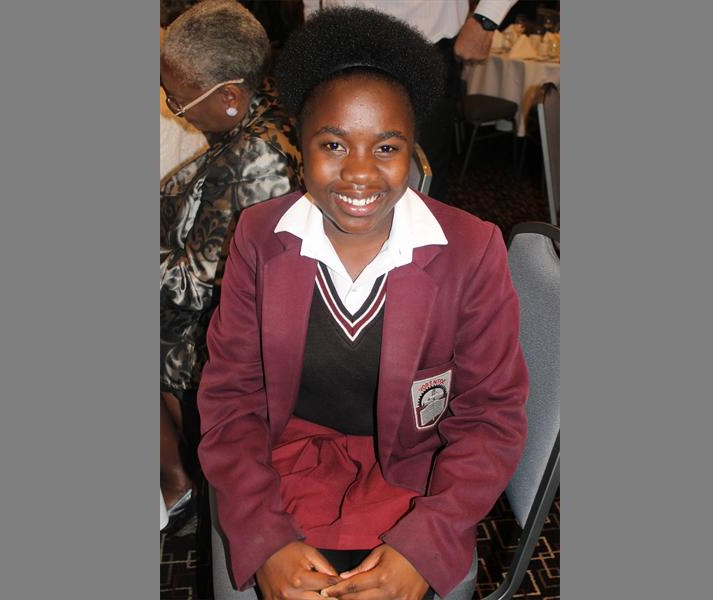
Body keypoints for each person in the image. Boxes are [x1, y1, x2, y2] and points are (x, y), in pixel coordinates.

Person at [198, 7, 528, 600]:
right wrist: (266, 537)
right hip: (285, 463)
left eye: (386, 147)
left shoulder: (471, 250)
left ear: (413, 149)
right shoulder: (259, 236)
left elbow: (490, 417)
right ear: (298, 144)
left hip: (415, 472)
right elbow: (231, 400)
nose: (358, 173)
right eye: (333, 144)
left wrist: (424, 543)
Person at [160, 0, 303, 533]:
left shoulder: (255, 164)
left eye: (177, 99)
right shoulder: (269, 111)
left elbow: (198, 287)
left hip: (227, 332)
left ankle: (179, 483)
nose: (174, 109)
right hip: (222, 307)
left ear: (228, 97)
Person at [301, 0, 519, 203]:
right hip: (339, 47)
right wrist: (314, 30)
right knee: (333, 169)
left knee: (419, 185)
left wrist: (485, 19)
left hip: (423, 47)